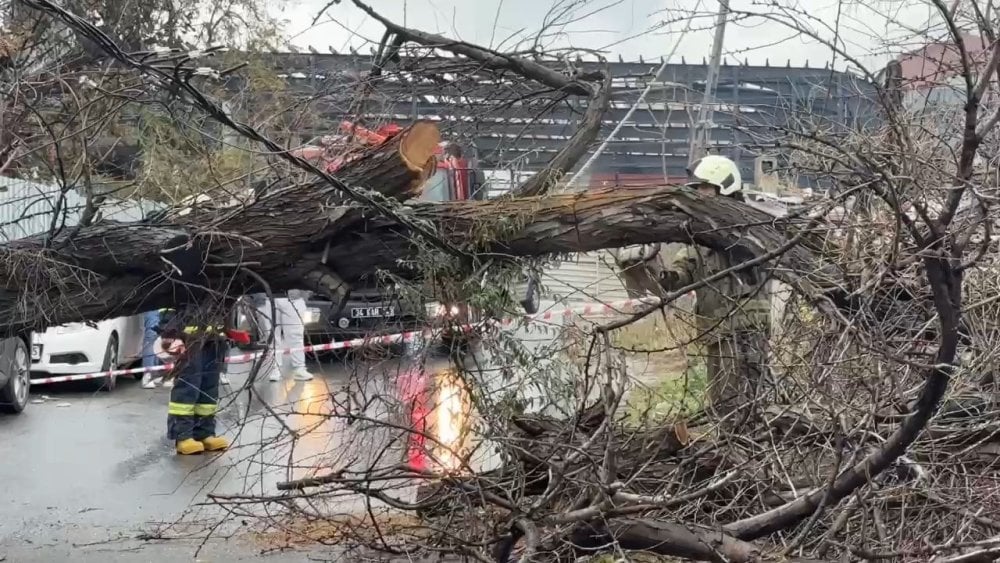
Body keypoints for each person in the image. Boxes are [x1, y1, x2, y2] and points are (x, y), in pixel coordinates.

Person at [613, 155, 772, 425]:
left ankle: (754, 456)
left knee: (751, 404)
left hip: (747, 330)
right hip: (717, 333)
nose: (699, 195)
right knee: (724, 405)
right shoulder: (697, 239)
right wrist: (647, 265)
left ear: (725, 187)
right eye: (697, 189)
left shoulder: (751, 225)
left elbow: (757, 256)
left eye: (705, 188)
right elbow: (677, 278)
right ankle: (733, 456)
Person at [155, 306, 231, 455]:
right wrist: (170, 334)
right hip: (188, 339)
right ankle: (183, 435)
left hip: (214, 338)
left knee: (209, 388)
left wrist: (229, 328)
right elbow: (167, 305)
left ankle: (205, 433)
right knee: (188, 388)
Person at [251, 290, 313, 382]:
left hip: (294, 297)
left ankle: (299, 368)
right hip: (268, 298)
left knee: (296, 335)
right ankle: (275, 368)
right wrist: (258, 300)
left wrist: (305, 295)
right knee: (272, 337)